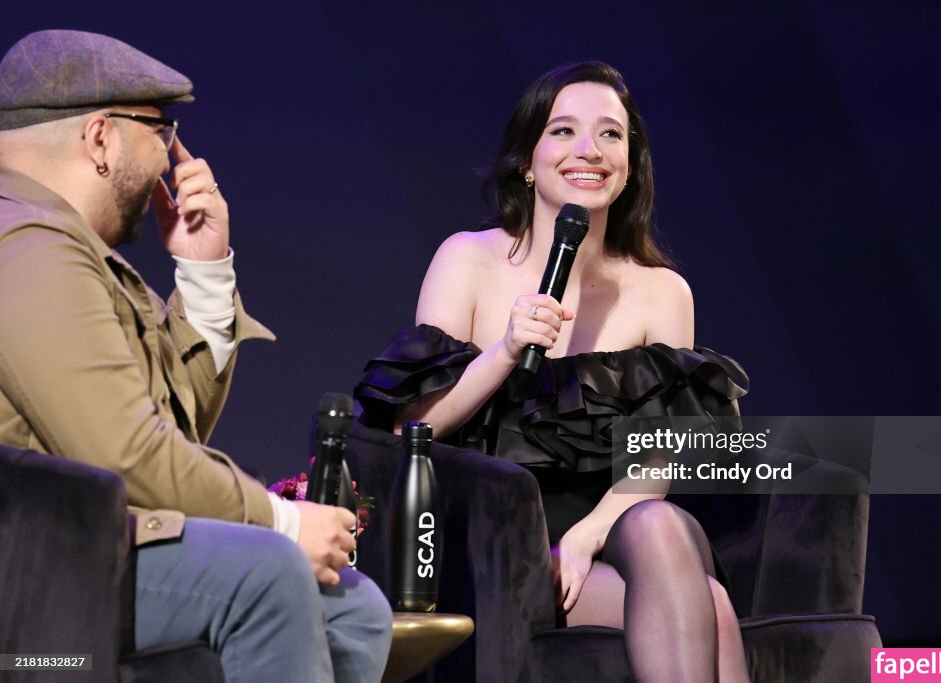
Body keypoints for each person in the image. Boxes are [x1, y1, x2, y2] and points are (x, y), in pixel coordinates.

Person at [0, 30, 391, 683]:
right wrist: (280, 520)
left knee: (355, 609)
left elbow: (171, 430)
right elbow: (125, 452)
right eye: (161, 131)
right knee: (270, 571)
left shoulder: (62, 246)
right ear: (99, 138)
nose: (173, 158)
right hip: (32, 566)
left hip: (83, 544)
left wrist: (205, 277)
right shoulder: (27, 247)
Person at [356, 62, 750, 682]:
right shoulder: (469, 260)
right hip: (502, 544)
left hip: (616, 529)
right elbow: (416, 427)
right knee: (715, 611)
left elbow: (659, 459)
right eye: (564, 131)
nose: (589, 150)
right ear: (526, 161)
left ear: (629, 166)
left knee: (656, 522)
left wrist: (590, 535)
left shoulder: (663, 292)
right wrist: (505, 349)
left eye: (611, 134)